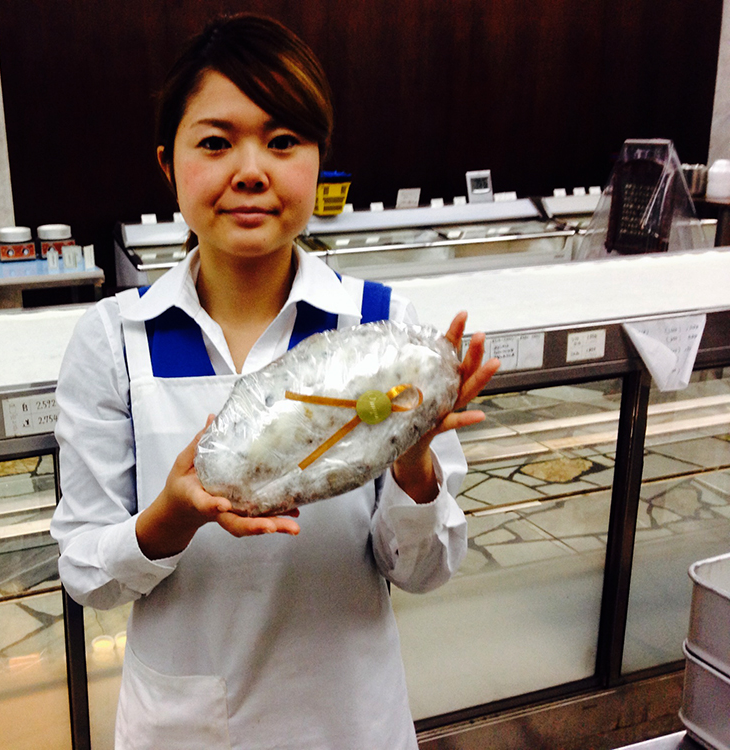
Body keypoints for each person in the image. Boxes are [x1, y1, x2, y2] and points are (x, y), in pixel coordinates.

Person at [50, 13, 499, 749]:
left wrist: (414, 468)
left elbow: (424, 571)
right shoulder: (115, 339)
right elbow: (87, 574)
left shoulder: (383, 329)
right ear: (168, 164)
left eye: (283, 140)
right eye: (215, 142)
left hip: (349, 721)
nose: (251, 170)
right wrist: (172, 517)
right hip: (185, 731)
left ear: (319, 162)